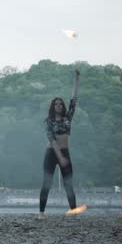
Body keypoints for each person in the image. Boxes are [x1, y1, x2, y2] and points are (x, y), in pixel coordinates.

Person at [39, 69, 80, 218]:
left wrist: (77, 80)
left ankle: (74, 213)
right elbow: (52, 139)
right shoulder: (48, 121)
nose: (58, 105)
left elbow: (74, 99)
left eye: (60, 104)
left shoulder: (68, 118)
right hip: (51, 153)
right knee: (46, 184)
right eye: (55, 104)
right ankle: (41, 213)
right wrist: (60, 157)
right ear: (53, 106)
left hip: (65, 151)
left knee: (68, 184)